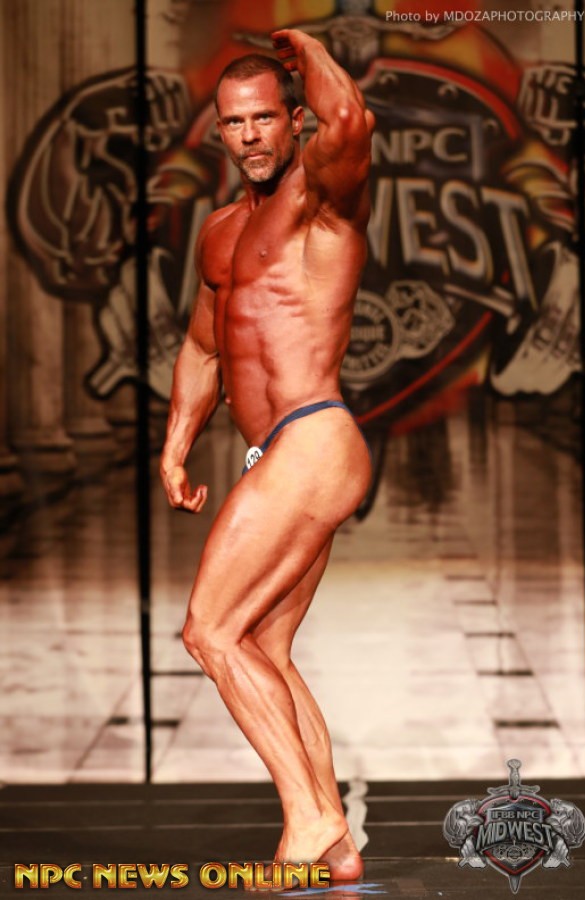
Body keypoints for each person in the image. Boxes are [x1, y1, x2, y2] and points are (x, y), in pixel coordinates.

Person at [160, 28, 374, 878]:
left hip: (313, 437)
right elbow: (203, 346)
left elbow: (350, 118)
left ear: (293, 121)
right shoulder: (219, 234)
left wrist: (310, 49)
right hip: (274, 453)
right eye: (233, 122)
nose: (249, 135)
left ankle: (310, 817)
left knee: (209, 630)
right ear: (219, 129)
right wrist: (176, 447)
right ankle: (338, 846)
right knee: (260, 646)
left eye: (263, 118)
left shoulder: (323, 200)